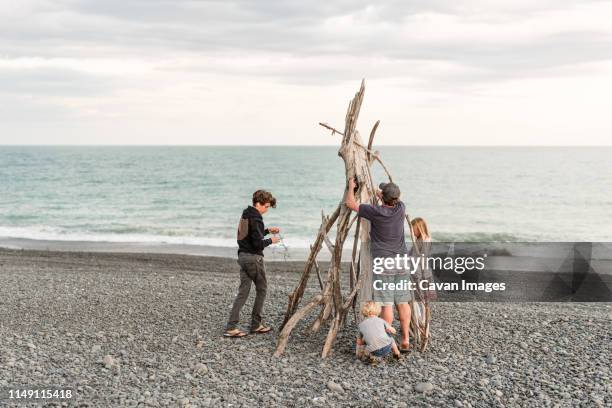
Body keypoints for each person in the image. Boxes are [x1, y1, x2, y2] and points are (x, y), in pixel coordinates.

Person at [346, 178, 412, 352]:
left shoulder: (375, 211)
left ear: (382, 197)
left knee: (387, 303)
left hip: (384, 262)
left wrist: (351, 188)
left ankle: (386, 341)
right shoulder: (401, 208)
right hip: (402, 261)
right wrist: (380, 192)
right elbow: (389, 196)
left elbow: (350, 203)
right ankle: (405, 339)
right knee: (403, 302)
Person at [224, 190, 281, 338]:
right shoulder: (256, 218)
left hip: (242, 256)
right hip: (253, 258)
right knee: (262, 289)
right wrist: (271, 240)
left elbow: (248, 236)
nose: (266, 210)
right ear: (259, 203)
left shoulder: (246, 215)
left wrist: (267, 230)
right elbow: (257, 244)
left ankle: (231, 327)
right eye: (266, 206)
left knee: (243, 292)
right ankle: (256, 325)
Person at [410, 217, 437, 302]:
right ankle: (420, 313)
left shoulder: (426, 240)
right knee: (417, 295)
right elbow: (411, 253)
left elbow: (423, 256)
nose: (412, 232)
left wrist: (410, 259)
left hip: (423, 273)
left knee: (422, 297)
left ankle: (424, 314)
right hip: (416, 271)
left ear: (419, 228)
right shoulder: (418, 239)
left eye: (413, 230)